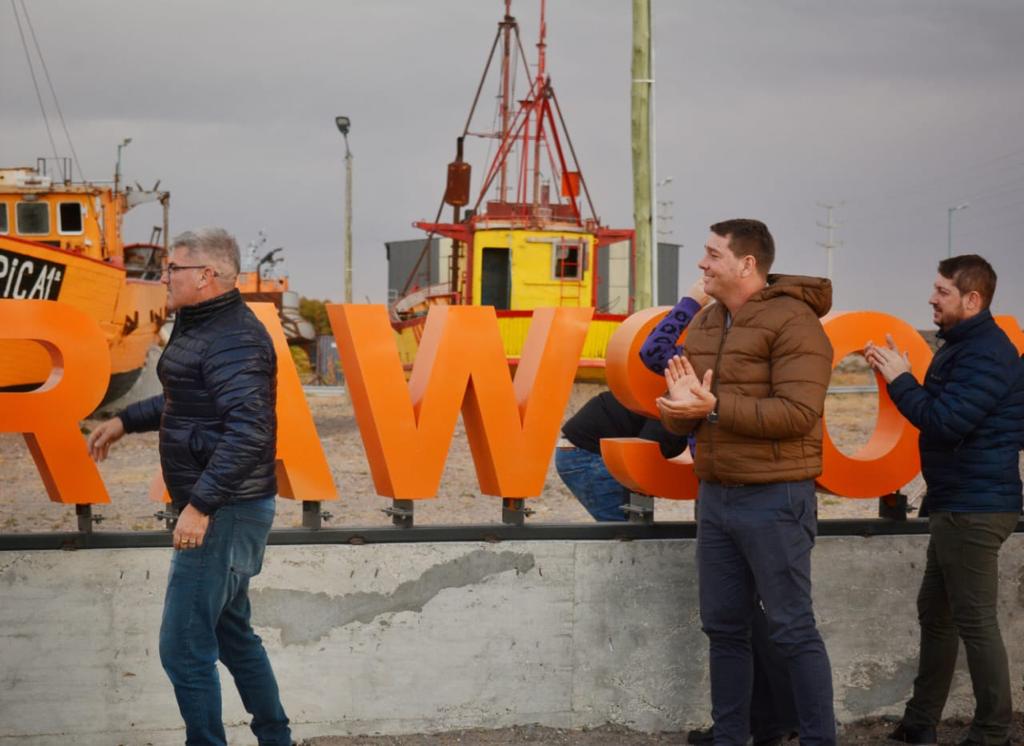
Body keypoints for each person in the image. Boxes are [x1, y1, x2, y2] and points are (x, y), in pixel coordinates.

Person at [87, 228, 292, 746]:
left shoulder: (234, 337)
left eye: (171, 268)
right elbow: (189, 399)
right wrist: (125, 421)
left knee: (182, 645)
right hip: (229, 505)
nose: (162, 277)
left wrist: (200, 507)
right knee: (232, 635)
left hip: (225, 509)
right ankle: (276, 738)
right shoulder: (204, 328)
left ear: (206, 275)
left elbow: (251, 431)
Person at [656, 219, 836, 745]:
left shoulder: (796, 322)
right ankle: (731, 738)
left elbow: (799, 413)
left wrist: (712, 409)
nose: (702, 264)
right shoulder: (708, 322)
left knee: (791, 629)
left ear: (747, 264)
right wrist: (677, 412)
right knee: (724, 629)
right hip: (715, 498)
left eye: (712, 254)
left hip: (776, 498)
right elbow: (688, 410)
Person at [866, 255, 1024, 746]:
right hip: (958, 501)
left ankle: (992, 731)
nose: (932, 299)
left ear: (972, 299)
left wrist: (901, 381)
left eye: (942, 291)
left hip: (975, 508)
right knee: (937, 614)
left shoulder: (985, 353)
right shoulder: (965, 347)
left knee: (974, 620)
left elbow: (946, 421)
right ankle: (919, 723)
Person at [639, 278, 799, 746]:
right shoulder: (735, 343)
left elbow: (655, 351)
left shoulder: (731, 345)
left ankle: (766, 722)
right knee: (751, 617)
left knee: (756, 619)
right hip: (736, 485)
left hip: (744, 488)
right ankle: (766, 723)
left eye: (713, 260)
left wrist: (691, 299)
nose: (705, 269)